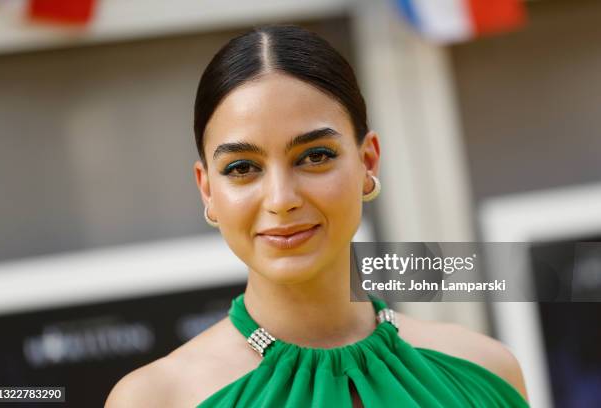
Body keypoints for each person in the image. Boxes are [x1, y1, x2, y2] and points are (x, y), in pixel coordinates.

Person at [106, 24, 529, 407]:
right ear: (207, 189)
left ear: (368, 162)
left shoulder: (485, 373)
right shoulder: (156, 399)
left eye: (314, 156)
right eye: (242, 167)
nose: (281, 198)